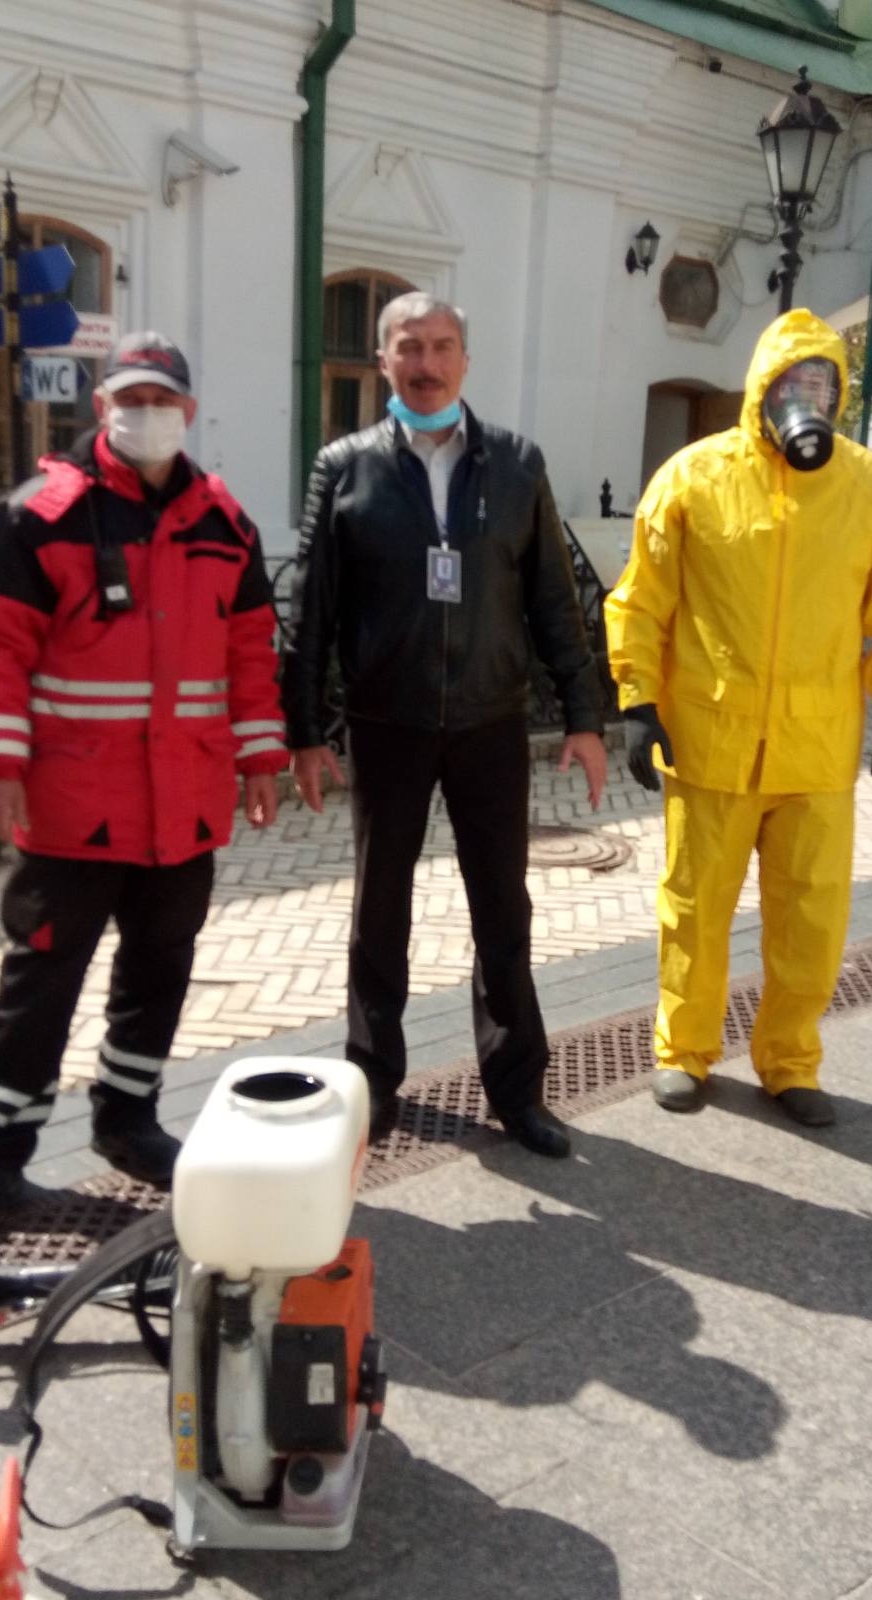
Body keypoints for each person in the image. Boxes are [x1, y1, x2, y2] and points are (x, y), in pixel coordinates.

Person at [0, 331, 288, 1235]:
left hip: (185, 808)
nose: (148, 414)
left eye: (163, 401)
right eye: (131, 399)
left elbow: (251, 650)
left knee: (158, 972)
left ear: (189, 411)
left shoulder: (225, 523)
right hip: (72, 809)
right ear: (101, 408)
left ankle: (128, 1122)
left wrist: (261, 757)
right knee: (41, 984)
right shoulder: (39, 516)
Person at [282, 292, 607, 1159]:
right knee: (378, 913)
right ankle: (372, 1086)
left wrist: (584, 716)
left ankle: (518, 1091)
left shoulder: (517, 464)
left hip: (489, 724)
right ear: (383, 361)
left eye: (441, 346)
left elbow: (554, 600)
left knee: (503, 909)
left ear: (466, 358)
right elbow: (311, 610)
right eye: (409, 347)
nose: (426, 364)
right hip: (385, 725)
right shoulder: (343, 467)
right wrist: (304, 730)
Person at [605, 308, 872, 1128]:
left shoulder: (871, 490)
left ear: (840, 395)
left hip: (816, 750)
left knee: (810, 919)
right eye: (793, 383)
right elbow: (642, 602)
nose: (806, 399)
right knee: (695, 909)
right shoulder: (693, 478)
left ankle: (790, 1062)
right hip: (710, 741)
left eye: (822, 384)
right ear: (762, 389)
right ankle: (684, 1052)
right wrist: (638, 701)